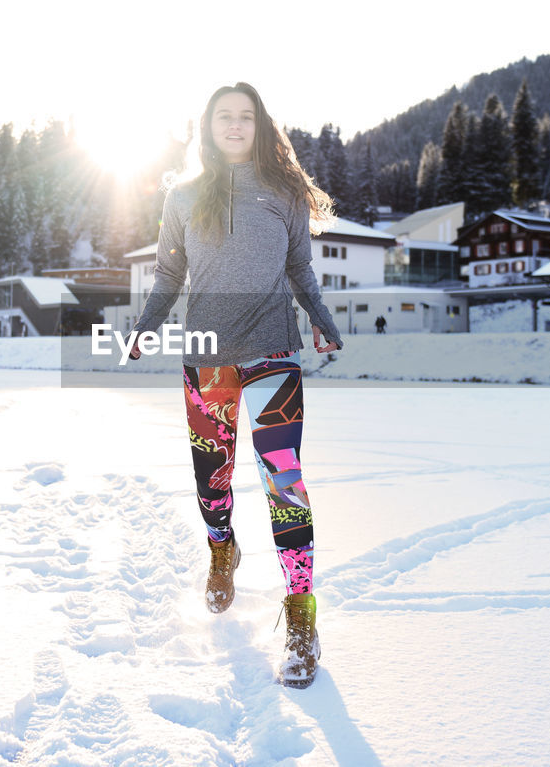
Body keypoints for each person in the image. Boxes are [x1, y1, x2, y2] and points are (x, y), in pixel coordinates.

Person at [127, 82, 343, 688]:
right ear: (209, 125)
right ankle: (223, 550)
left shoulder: (284, 192)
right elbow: (170, 272)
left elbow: (300, 267)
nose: (235, 125)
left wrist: (322, 323)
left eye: (246, 116)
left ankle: (301, 614)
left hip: (274, 348)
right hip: (206, 356)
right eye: (225, 116)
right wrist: (144, 327)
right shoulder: (184, 194)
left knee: (285, 479)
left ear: (260, 125)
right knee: (210, 477)